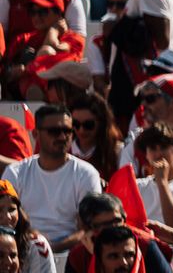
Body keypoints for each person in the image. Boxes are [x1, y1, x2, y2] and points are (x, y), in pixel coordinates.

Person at [2, 107, 101, 250]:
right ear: (36, 134)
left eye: (67, 131)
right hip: (24, 251)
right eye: (54, 131)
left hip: (71, 253)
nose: (62, 137)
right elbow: (5, 220)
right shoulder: (15, 172)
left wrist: (51, 249)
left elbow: (88, 229)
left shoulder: (86, 174)